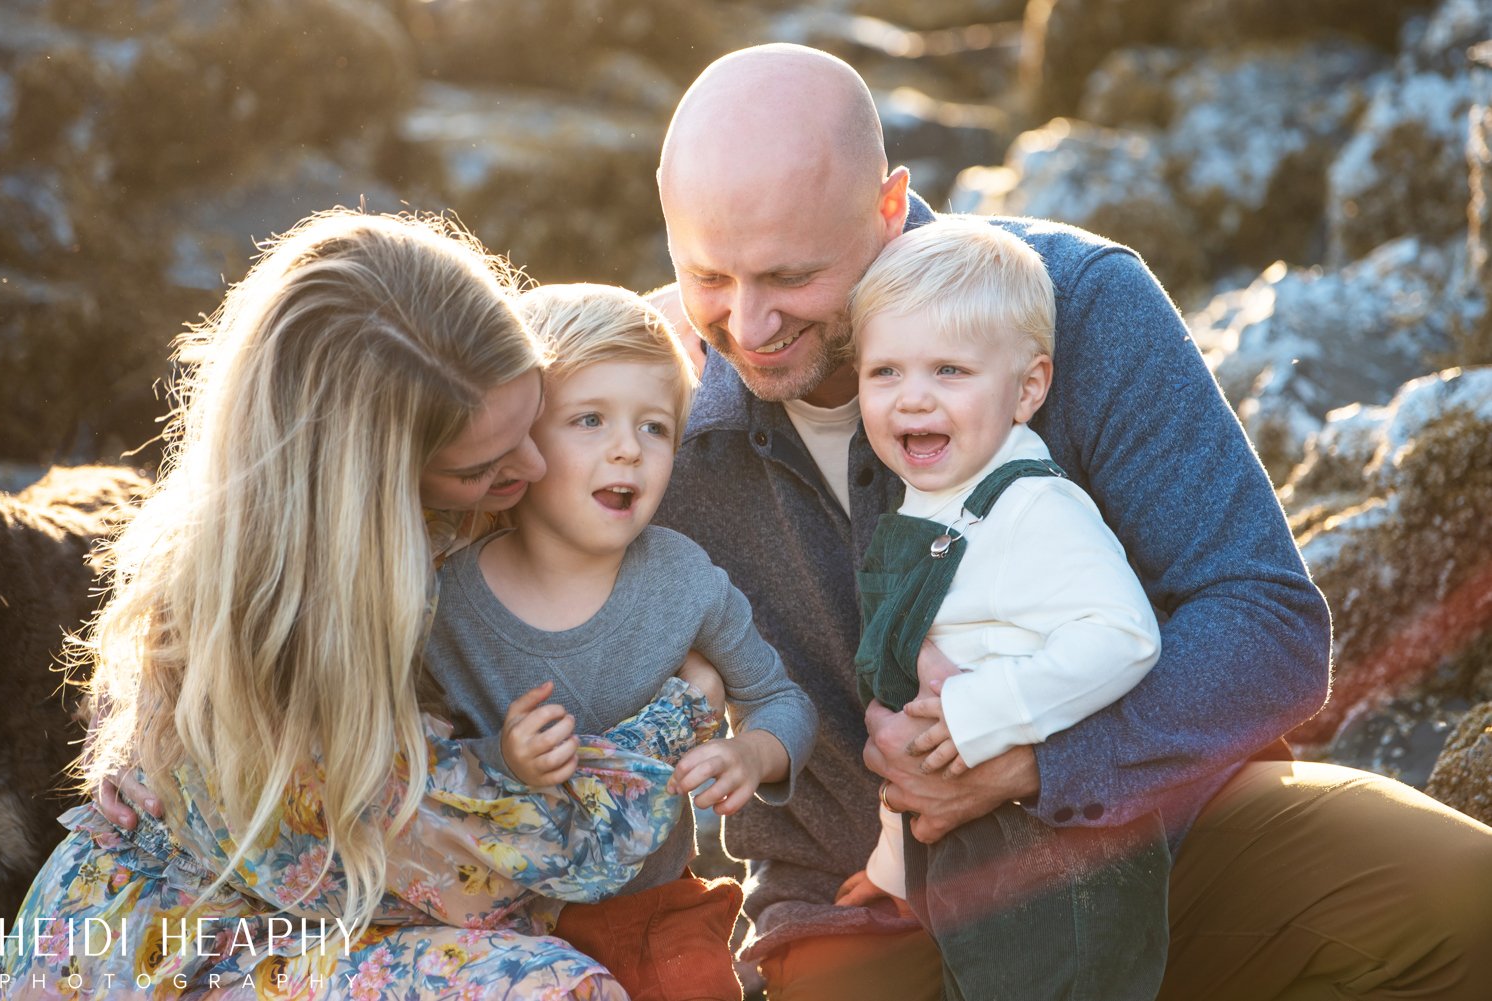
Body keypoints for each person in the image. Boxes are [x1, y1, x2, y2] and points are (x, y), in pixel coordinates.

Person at [650, 42, 1492, 1001]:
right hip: (864, 901)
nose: (748, 326)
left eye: (788, 277)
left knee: (1471, 903)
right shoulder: (645, 397)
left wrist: (1034, 763)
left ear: (890, 208)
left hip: (1159, 833)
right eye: (708, 277)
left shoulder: (1079, 301)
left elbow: (1271, 625)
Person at [0, 210, 718, 1000]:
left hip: (316, 907)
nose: (540, 462)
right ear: (371, 489)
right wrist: (683, 711)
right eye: (485, 465)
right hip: (176, 954)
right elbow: (496, 869)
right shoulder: (284, 655)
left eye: (537, 411)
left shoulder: (416, 477)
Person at [424, 282, 818, 1001]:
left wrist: (750, 751)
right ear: (522, 442)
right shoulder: (447, 604)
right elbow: (418, 769)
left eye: (654, 427)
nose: (627, 450)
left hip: (657, 919)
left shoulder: (682, 578)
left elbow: (780, 699)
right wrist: (502, 757)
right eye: (590, 419)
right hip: (505, 926)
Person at [838, 216, 1169, 1000]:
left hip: (1059, 866)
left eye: (949, 370)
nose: (912, 396)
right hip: (967, 872)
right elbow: (907, 718)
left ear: (1028, 388)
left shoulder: (1033, 509)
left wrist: (984, 707)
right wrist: (893, 865)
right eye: (885, 371)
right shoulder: (927, 506)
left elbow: (1124, 635)